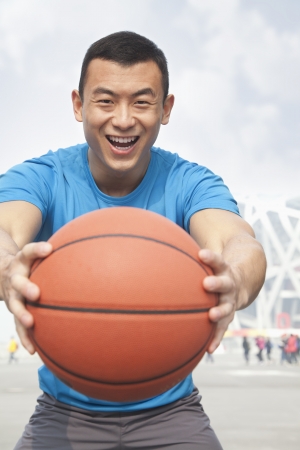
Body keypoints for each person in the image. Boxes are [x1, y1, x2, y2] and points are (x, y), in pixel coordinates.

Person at [0, 31, 266, 450]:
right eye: (105, 101)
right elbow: (3, 230)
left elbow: (240, 243)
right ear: (78, 105)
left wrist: (235, 278)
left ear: (166, 109)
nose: (123, 119)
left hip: (171, 412)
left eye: (142, 102)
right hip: (64, 411)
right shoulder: (42, 177)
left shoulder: (190, 182)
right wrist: (6, 268)